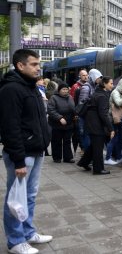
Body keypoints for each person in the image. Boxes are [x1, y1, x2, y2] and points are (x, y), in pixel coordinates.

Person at [0, 49, 53, 254]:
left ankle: (28, 232)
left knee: (29, 195)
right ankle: (15, 241)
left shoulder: (31, 87)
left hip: (36, 150)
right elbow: (10, 127)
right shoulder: (11, 89)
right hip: (23, 155)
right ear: (20, 65)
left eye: (38, 64)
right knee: (16, 198)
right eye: (34, 64)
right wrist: (19, 160)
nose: (38, 67)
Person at [77, 76, 115, 175]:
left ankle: (84, 162)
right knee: (98, 147)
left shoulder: (97, 93)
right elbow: (103, 114)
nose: (112, 85)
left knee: (94, 145)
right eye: (111, 83)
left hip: (91, 123)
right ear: (105, 84)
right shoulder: (102, 96)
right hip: (96, 125)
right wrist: (111, 128)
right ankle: (98, 169)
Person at [77, 69, 103, 160]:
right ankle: (87, 156)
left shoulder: (94, 86)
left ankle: (88, 157)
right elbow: (82, 102)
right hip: (85, 116)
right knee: (86, 135)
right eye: (98, 77)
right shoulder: (86, 87)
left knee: (89, 135)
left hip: (90, 116)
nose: (100, 79)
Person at [47, 83, 76, 163]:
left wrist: (75, 115)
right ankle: (57, 157)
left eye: (66, 89)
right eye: (63, 89)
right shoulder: (54, 98)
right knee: (57, 141)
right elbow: (50, 110)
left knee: (67, 141)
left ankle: (68, 157)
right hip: (57, 123)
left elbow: (73, 108)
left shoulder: (70, 97)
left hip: (69, 123)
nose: (65, 91)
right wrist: (59, 118)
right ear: (59, 90)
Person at [105, 77, 122, 165]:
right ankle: (107, 158)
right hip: (114, 119)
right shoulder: (115, 92)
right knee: (114, 138)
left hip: (118, 118)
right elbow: (119, 103)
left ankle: (119, 157)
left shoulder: (120, 92)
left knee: (119, 138)